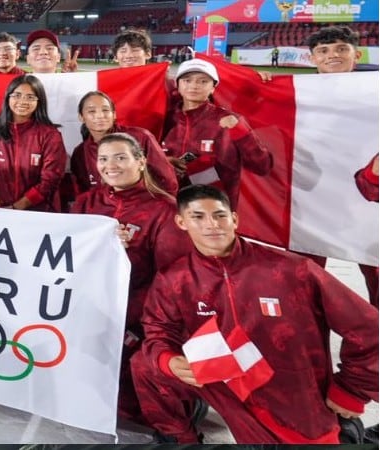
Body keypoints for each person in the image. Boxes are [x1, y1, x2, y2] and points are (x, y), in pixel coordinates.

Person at [131, 184, 379, 443]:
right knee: (145, 365)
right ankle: (182, 439)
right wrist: (167, 359)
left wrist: (352, 390)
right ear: (181, 223)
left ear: (234, 219)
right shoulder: (175, 278)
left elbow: (369, 328)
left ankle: (350, 431)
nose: (211, 225)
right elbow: (158, 329)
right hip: (223, 381)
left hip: (291, 393)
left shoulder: (292, 270)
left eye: (219, 215)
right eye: (198, 217)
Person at [71, 132, 193, 425]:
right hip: (92, 306)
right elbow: (70, 257)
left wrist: (120, 311)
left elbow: (170, 281)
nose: (110, 165)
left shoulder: (164, 210)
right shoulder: (86, 202)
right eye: (103, 159)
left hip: (137, 315)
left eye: (120, 157)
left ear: (141, 162)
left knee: (130, 403)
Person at [303, 25, 378, 308]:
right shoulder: (294, 95)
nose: (332, 55)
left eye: (340, 49)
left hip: (367, 200)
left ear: (356, 54)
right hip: (311, 201)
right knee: (303, 281)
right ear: (312, 59)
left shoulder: (375, 92)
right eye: (323, 51)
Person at [161, 59, 272, 210]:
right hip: (170, 209)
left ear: (213, 87)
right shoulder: (164, 119)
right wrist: (164, 162)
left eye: (203, 81)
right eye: (187, 80)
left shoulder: (230, 120)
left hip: (214, 212)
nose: (194, 85)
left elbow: (262, 166)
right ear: (178, 86)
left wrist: (240, 132)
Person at [0, 75, 66, 212]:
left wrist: (16, 208)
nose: (23, 101)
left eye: (30, 97)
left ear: (39, 101)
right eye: (17, 95)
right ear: (8, 98)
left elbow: (50, 179)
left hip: (40, 212)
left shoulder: (50, 135)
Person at [71, 90, 177, 195]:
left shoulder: (140, 137)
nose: (100, 116)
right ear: (81, 117)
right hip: (103, 210)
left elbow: (166, 179)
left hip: (144, 206)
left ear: (114, 114)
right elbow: (83, 191)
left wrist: (163, 206)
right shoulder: (80, 153)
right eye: (92, 111)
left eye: (105, 110)